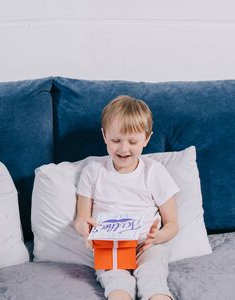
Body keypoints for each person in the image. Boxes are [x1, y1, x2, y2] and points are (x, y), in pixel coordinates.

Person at [73, 95, 179, 300]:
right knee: (116, 284)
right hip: (110, 247)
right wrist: (85, 229)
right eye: (116, 140)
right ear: (104, 136)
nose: (123, 148)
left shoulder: (154, 172)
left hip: (147, 247)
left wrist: (158, 237)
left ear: (147, 139)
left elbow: (173, 224)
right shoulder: (93, 170)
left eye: (132, 141)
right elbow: (81, 218)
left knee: (152, 278)